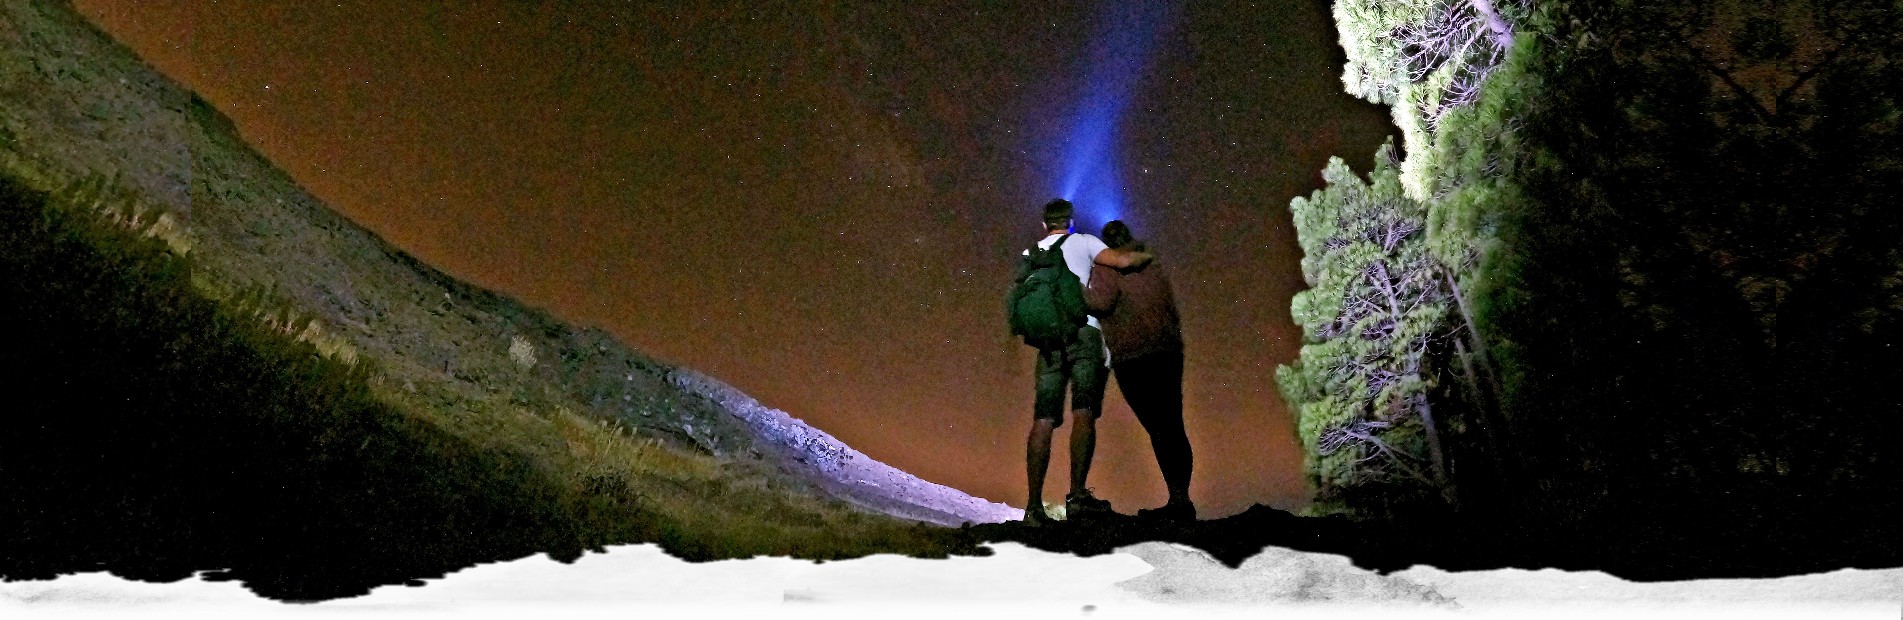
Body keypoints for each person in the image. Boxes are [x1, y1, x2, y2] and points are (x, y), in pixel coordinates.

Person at [1018, 199, 1151, 526]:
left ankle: (1033, 507)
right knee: (1083, 412)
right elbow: (1121, 262)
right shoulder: (1084, 241)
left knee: (1043, 419)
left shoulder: (1031, 253)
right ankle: (1077, 496)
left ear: (1043, 224)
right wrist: (1146, 255)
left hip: (1049, 342)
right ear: (1071, 221)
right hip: (1084, 335)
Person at [1084, 220, 1194, 522]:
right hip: (1168, 351)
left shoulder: (1108, 269)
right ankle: (1181, 499)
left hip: (1134, 357)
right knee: (1173, 425)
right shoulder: (1153, 265)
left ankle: (1178, 502)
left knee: (1157, 428)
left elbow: (1101, 303)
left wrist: (1075, 287)